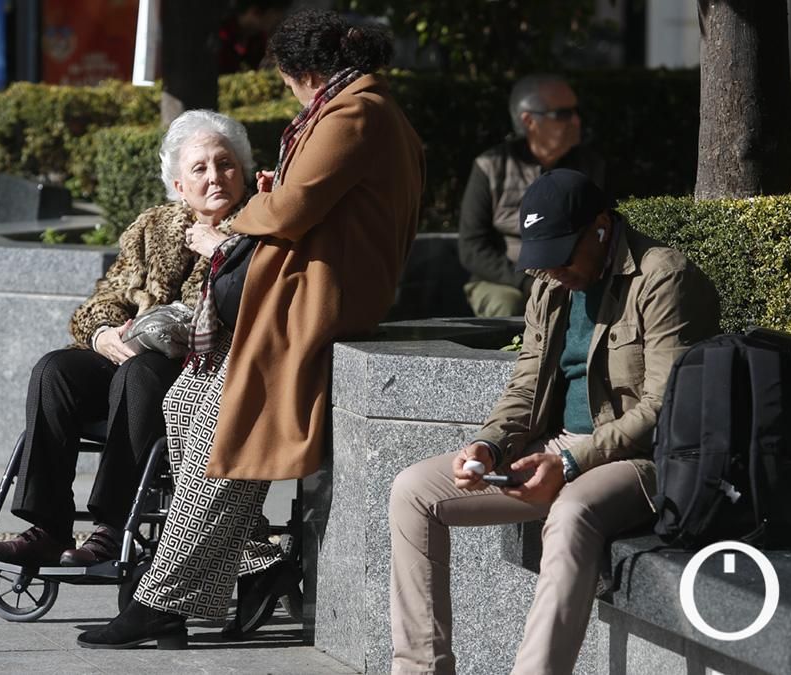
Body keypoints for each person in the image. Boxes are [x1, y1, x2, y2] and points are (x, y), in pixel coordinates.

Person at [77, 8, 424, 649]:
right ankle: (257, 562)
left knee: (222, 422)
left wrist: (239, 221)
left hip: (317, 304)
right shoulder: (361, 107)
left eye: (287, 81)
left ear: (302, 71)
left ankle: (164, 600)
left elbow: (291, 208)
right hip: (311, 295)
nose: (290, 94)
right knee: (186, 400)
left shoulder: (354, 111)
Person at [388, 169, 720, 675]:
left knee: (570, 514)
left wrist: (569, 462)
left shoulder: (664, 278)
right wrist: (489, 446)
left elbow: (665, 407)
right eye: (543, 259)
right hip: (556, 449)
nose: (553, 270)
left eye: (563, 255)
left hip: (641, 459)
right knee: (412, 491)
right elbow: (526, 386)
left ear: (602, 228)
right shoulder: (549, 285)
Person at [0, 110, 255, 569]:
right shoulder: (153, 228)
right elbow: (106, 296)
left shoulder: (256, 227)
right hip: (132, 353)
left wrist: (221, 249)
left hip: (205, 369)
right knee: (54, 370)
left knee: (138, 374)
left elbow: (254, 304)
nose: (214, 177)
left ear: (242, 170)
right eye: (200, 168)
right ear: (179, 185)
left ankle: (111, 526)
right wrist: (103, 333)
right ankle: (47, 527)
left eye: (225, 164)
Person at [458, 74, 606, 318]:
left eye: (576, 111)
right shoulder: (491, 167)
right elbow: (472, 247)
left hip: (573, 275)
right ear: (529, 121)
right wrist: (526, 282)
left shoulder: (589, 166)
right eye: (563, 114)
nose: (576, 121)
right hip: (504, 281)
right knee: (507, 304)